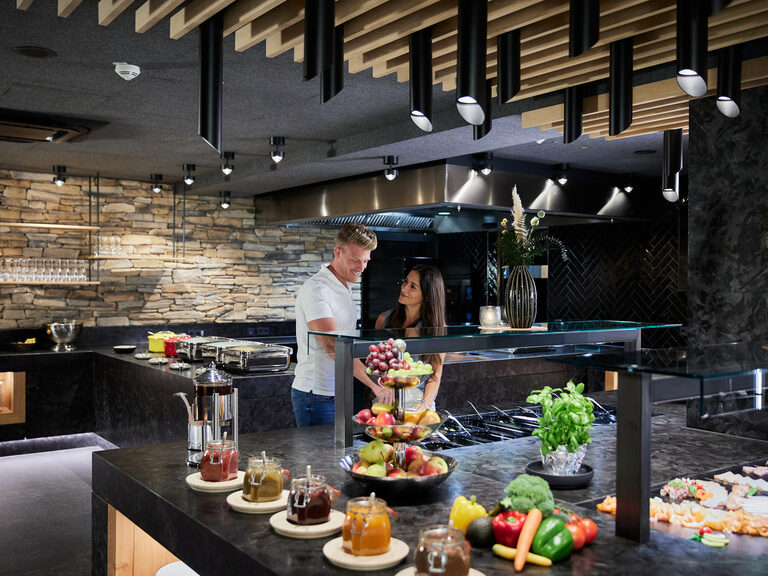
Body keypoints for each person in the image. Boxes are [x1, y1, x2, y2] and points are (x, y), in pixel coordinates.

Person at [292, 222, 393, 427]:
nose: (362, 267)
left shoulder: (343, 286)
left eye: (366, 261)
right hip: (316, 394)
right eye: (356, 260)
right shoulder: (318, 288)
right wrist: (376, 385)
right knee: (321, 459)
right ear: (337, 252)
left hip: (337, 390)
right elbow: (332, 346)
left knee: (337, 456)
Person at [375, 264, 446, 411]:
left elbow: (435, 376)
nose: (404, 288)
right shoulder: (384, 319)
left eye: (412, 286)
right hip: (386, 399)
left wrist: (425, 404)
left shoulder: (437, 328)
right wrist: (379, 389)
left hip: (418, 402)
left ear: (427, 295)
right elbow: (376, 366)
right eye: (406, 281)